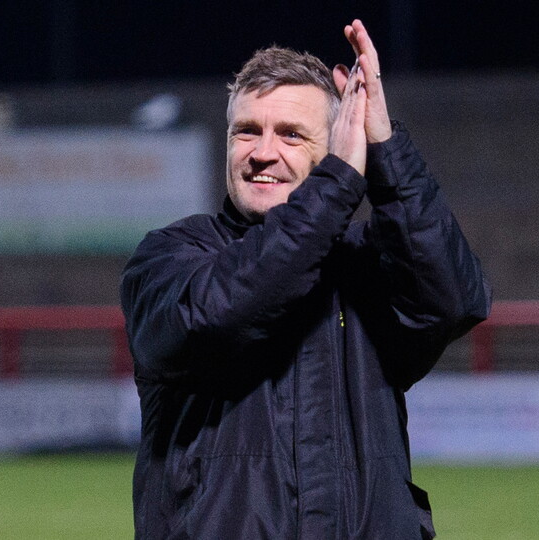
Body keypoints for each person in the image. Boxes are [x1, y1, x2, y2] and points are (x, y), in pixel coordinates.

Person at [121, 19, 490, 539]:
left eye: (291, 135)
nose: (262, 152)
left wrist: (384, 146)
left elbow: (454, 299)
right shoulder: (171, 257)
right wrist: (338, 183)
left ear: (336, 144)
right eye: (246, 131)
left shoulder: (368, 266)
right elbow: (220, 313)